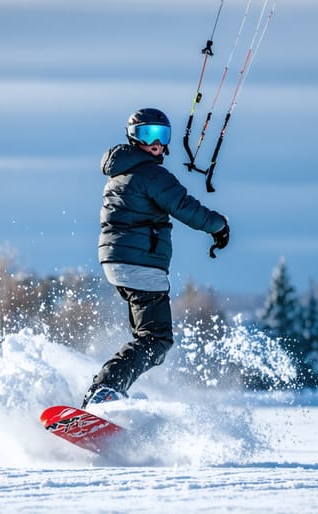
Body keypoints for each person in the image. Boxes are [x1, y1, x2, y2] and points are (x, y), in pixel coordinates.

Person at [82, 107, 230, 408]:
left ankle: (107, 391)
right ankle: (106, 389)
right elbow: (185, 206)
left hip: (118, 261)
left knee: (147, 335)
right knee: (156, 339)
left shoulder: (120, 172)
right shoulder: (151, 174)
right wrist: (219, 225)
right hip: (140, 263)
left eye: (162, 135)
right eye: (147, 133)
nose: (156, 142)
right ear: (133, 136)